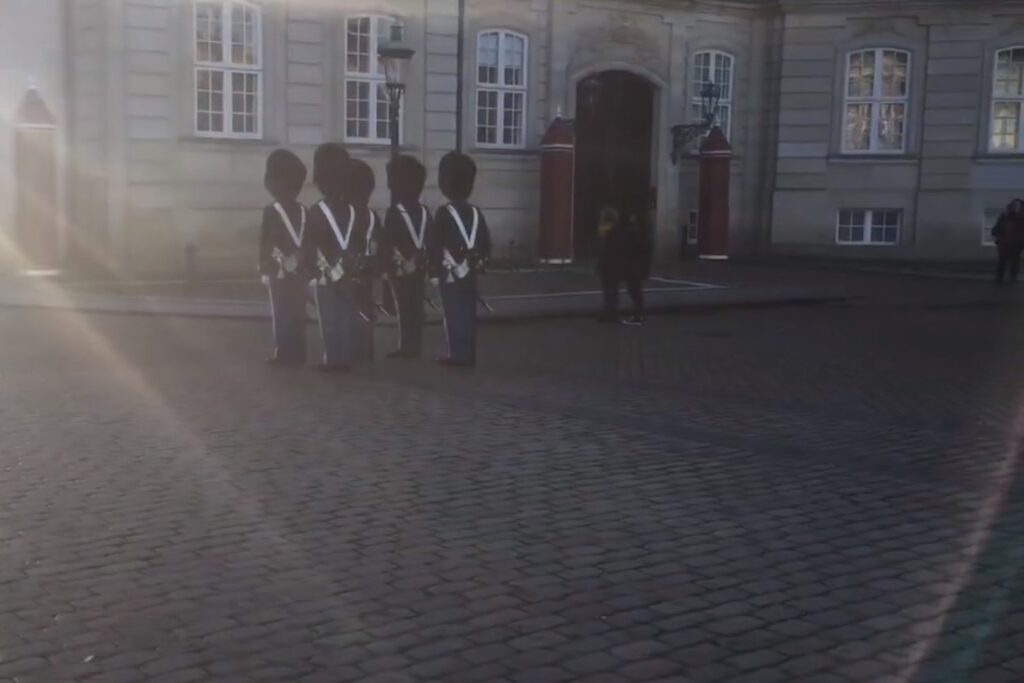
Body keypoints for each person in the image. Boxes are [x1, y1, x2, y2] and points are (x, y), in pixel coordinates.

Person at [429, 152, 492, 367]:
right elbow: (485, 241)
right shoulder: (476, 212)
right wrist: (480, 262)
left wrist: (434, 271)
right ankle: (469, 353)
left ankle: (457, 354)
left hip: (451, 273)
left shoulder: (443, 213)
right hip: (471, 270)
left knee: (453, 313)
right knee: (468, 312)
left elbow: (436, 244)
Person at [302, 143, 357, 372]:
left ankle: (332, 358)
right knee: (345, 313)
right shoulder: (352, 209)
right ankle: (343, 357)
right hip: (348, 268)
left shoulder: (316, 210)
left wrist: (310, 270)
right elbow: (357, 240)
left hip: (325, 270)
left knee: (329, 316)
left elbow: (311, 242)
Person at [259, 149, 308, 366]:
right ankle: (298, 352)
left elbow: (265, 242)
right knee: (298, 311)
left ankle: (283, 352)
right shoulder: (304, 210)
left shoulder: (271, 211)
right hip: (299, 268)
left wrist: (263, 267)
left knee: (281, 311)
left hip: (278, 269)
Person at [380, 155, 431, 359]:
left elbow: (387, 241)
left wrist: (387, 264)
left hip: (399, 267)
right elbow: (430, 238)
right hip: (419, 266)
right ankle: (414, 345)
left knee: (403, 307)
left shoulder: (394, 212)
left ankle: (406, 345)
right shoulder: (425, 211)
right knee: (416, 306)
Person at [345, 159, 380, 362]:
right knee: (366, 306)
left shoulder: (347, 214)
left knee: (351, 307)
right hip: (368, 266)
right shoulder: (371, 214)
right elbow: (378, 240)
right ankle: (366, 349)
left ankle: (354, 348)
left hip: (351, 266)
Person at [602, 203, 652, 326]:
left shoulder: (621, 231)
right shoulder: (637, 231)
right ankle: (635, 313)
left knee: (622, 288)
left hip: (626, 264)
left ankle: (613, 314)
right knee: (632, 288)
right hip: (631, 264)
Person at [595, 206, 621, 323]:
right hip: (614, 264)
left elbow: (602, 249)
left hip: (606, 264)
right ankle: (612, 312)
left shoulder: (602, 230)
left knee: (608, 289)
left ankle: (609, 312)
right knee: (613, 289)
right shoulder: (615, 230)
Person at [992, 198, 1024, 284]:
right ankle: (999, 278)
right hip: (1004, 242)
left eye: (1018, 206)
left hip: (1017, 243)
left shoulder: (1021, 218)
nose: (1016, 207)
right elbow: (997, 227)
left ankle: (1013, 278)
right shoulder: (1005, 216)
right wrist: (996, 234)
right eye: (1015, 205)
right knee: (1002, 260)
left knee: (1015, 260)